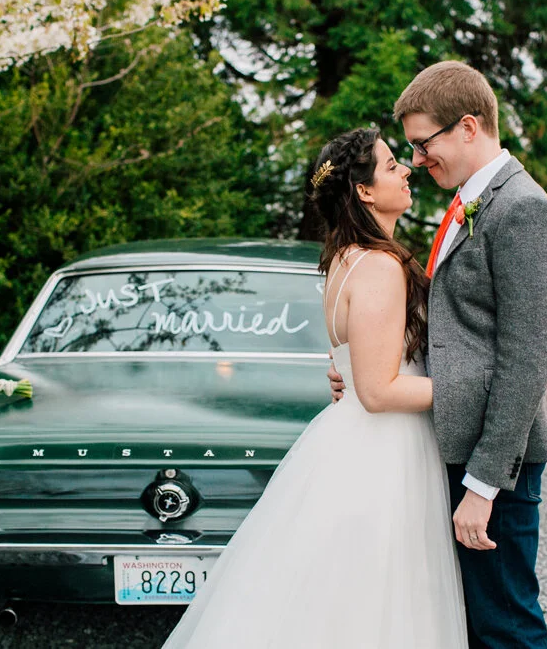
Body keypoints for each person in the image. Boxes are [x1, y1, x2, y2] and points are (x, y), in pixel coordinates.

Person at [161, 128, 468, 648]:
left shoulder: (345, 259)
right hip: (383, 451)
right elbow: (377, 390)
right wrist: (469, 389)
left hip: (353, 439)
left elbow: (355, 369)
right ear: (365, 191)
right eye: (392, 165)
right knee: (378, 603)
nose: (406, 170)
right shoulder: (379, 266)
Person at [329, 61, 547, 648]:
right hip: (458, 443)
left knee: (505, 624)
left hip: (496, 462)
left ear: (467, 127)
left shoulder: (522, 209)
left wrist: (484, 485)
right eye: (406, 149)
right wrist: (358, 363)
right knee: (471, 621)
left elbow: (526, 360)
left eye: (421, 143)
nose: (415, 159)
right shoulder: (469, 201)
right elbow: (452, 330)